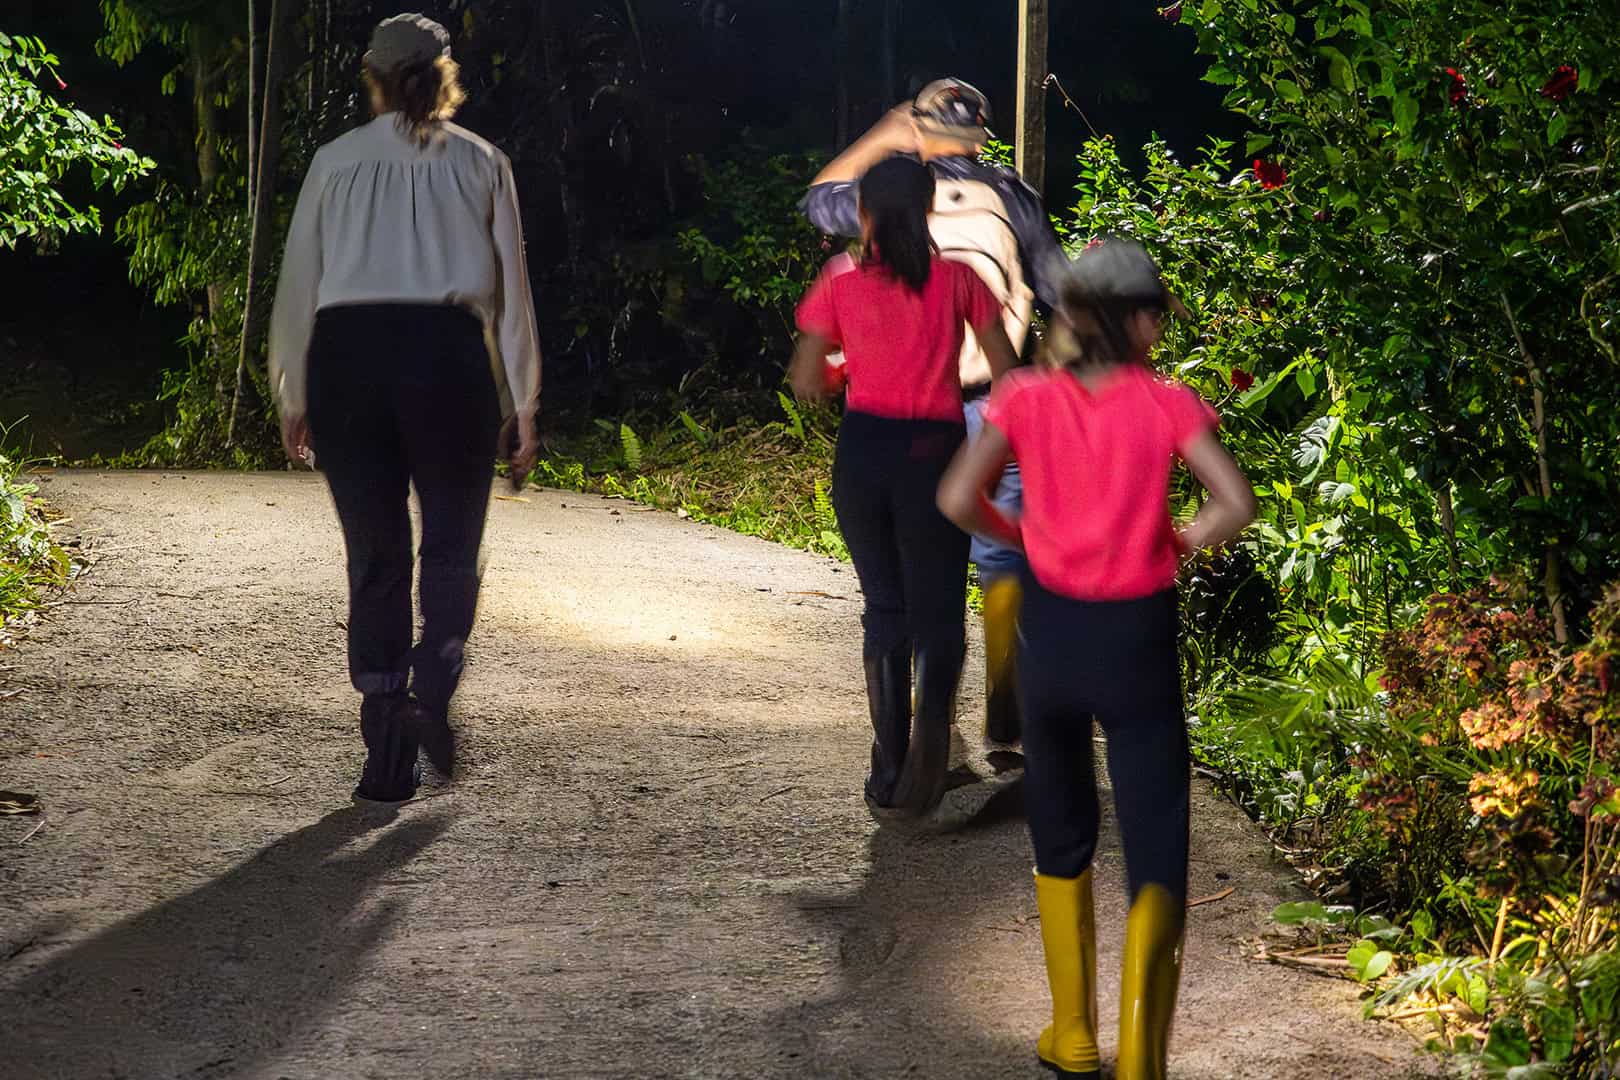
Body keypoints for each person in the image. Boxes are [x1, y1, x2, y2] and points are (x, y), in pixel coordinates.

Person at [936, 239, 1256, 1080]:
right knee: (1154, 833)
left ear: (1071, 315)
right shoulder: (1168, 403)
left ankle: (1072, 1036)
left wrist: (1020, 537)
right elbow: (1236, 501)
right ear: (1144, 322)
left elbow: (957, 496)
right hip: (1136, 636)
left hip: (1052, 627)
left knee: (1061, 813)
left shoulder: (1023, 396)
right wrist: (1181, 541)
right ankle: (1142, 1060)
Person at [268, 12, 541, 804]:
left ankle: (385, 753)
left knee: (376, 556)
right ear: (445, 75)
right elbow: (512, 297)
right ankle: (432, 682)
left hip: (348, 359)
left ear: (373, 77)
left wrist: (292, 388)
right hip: (448, 360)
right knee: (452, 544)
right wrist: (523, 399)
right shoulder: (484, 163)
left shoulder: (334, 162)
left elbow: (300, 288)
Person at [802, 78, 1067, 750]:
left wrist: (886, 135)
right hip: (984, 408)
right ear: (983, 133)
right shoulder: (1010, 194)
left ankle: (915, 737)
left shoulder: (882, 202)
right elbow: (1057, 285)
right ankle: (1004, 714)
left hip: (887, 420)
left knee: (897, 586)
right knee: (1001, 554)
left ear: (920, 130)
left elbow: (817, 201)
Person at [789, 157, 1018, 818]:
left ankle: (891, 765)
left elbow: (807, 380)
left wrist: (843, 371)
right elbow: (1006, 376)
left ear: (864, 215)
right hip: (934, 454)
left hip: (864, 455)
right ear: (926, 212)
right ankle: (932, 740)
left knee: (884, 607)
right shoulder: (960, 281)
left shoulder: (838, 281)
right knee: (939, 607)